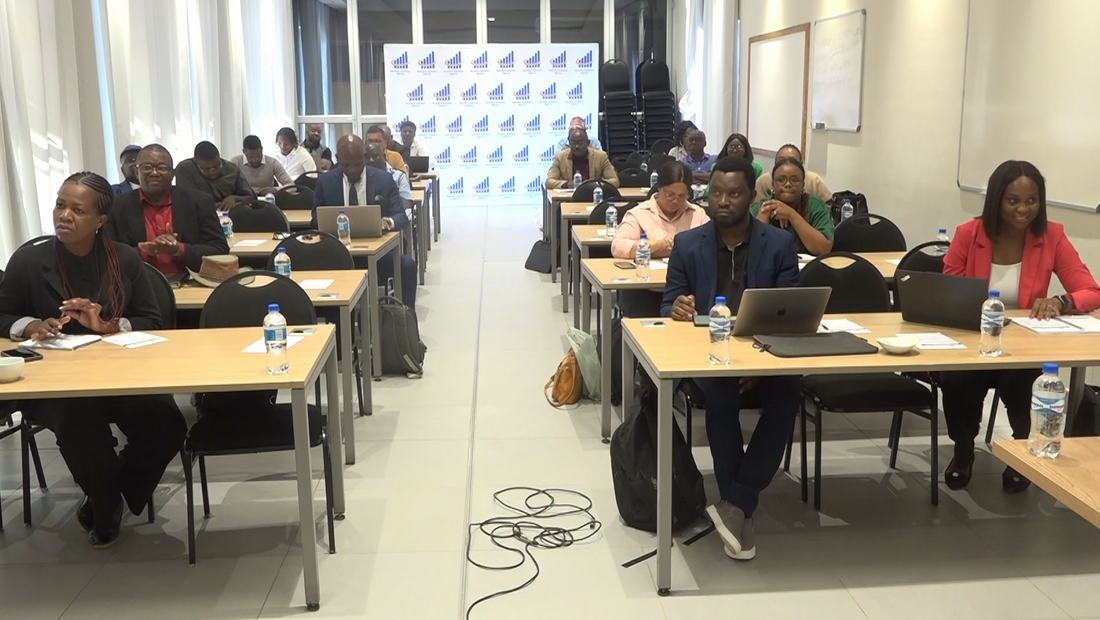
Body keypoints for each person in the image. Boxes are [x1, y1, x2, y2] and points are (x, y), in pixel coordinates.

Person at [0, 172, 186, 548]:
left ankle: (111, 493)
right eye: (60, 205)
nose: (64, 216)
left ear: (100, 219)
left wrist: (108, 326)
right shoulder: (29, 261)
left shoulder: (124, 258)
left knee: (167, 423)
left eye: (78, 210)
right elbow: (2, 314)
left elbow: (152, 320)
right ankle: (105, 507)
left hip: (121, 376)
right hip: (55, 385)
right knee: (80, 424)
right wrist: (32, 324)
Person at [661, 156, 800, 562]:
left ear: (752, 196)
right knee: (720, 395)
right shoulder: (688, 244)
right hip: (710, 357)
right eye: (716, 193)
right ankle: (738, 505)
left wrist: (758, 363)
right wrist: (677, 308)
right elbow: (669, 304)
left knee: (787, 394)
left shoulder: (778, 244)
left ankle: (736, 503)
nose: (723, 201)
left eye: (734, 193)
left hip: (764, 355)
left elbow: (790, 313)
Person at [940, 160, 1100, 493]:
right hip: (975, 342)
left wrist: (1061, 301)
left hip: (1023, 346)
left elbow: (1090, 290)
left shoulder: (1051, 235)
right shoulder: (968, 234)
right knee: (958, 380)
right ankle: (963, 449)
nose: (1023, 209)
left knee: (1027, 380)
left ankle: (1021, 454)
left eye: (1032, 200)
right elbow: (948, 292)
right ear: (996, 199)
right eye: (1013, 200)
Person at [311, 134, 418, 309]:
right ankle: (339, 322)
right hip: (337, 254)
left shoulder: (384, 179)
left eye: (357, 164)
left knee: (407, 266)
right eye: (346, 165)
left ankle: (406, 321)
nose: (352, 170)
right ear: (338, 159)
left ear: (364, 158)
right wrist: (328, 222)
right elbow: (315, 219)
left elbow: (400, 216)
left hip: (376, 254)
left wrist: (387, 222)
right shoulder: (326, 181)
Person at [107, 144, 229, 277]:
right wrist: (145, 251)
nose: (154, 173)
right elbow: (107, 256)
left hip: (191, 282)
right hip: (138, 284)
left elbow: (220, 250)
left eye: (162, 168)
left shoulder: (199, 202)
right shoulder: (116, 207)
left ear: (173, 174)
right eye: (147, 167)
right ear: (137, 172)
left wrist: (179, 249)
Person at [749, 158, 834, 256]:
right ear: (773, 185)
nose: (788, 184)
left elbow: (824, 249)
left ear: (803, 185)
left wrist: (791, 215)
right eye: (781, 180)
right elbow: (749, 251)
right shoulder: (760, 207)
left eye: (794, 180)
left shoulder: (815, 206)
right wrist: (762, 220)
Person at [174, 141, 255, 211]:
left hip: (231, 216)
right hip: (200, 218)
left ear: (219, 157)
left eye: (216, 166)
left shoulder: (232, 169)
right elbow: (187, 201)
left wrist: (234, 198)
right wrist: (217, 205)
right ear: (196, 163)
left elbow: (251, 198)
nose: (212, 172)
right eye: (206, 169)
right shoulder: (185, 170)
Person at [755, 143, 832, 203]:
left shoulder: (813, 180)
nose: (787, 164)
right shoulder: (764, 181)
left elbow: (829, 204)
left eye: (792, 160)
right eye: (782, 160)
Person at [545, 128, 619, 190]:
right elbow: (549, 181)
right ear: (569, 143)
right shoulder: (560, 157)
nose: (576, 146)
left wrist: (597, 184)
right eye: (573, 143)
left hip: (593, 196)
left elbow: (615, 181)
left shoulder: (601, 156)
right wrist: (566, 184)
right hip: (569, 198)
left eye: (580, 143)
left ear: (588, 143)